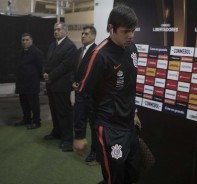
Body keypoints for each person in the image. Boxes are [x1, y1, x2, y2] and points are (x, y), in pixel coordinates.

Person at [73, 4, 142, 184]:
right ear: (111, 28)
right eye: (126, 31)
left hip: (129, 125)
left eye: (133, 30)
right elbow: (82, 95)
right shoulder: (99, 56)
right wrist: (79, 135)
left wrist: (134, 112)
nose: (131, 36)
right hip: (109, 128)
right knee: (114, 178)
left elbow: (130, 86)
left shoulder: (132, 49)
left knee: (133, 173)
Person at [43, 22, 78, 152]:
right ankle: (57, 132)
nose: (56, 32)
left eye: (58, 29)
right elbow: (47, 61)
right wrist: (45, 73)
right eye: (54, 29)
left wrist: (50, 75)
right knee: (54, 111)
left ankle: (68, 139)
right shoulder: (53, 44)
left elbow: (65, 66)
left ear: (65, 31)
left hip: (62, 84)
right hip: (52, 84)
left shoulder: (70, 47)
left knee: (64, 112)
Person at [73, 25, 99, 165]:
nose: (83, 35)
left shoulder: (96, 52)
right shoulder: (79, 51)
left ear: (93, 36)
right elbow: (76, 71)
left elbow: (94, 75)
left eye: (86, 33)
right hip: (79, 93)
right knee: (80, 120)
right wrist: (74, 83)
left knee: (94, 126)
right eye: (82, 33)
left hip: (92, 97)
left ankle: (95, 153)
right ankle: (80, 141)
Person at [15, 33, 44, 129]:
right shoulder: (20, 52)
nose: (24, 42)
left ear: (31, 41)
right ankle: (26, 119)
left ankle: (36, 122)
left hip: (32, 83)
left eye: (27, 40)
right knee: (23, 102)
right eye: (23, 40)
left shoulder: (37, 52)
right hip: (21, 83)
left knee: (34, 104)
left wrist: (41, 80)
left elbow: (41, 67)